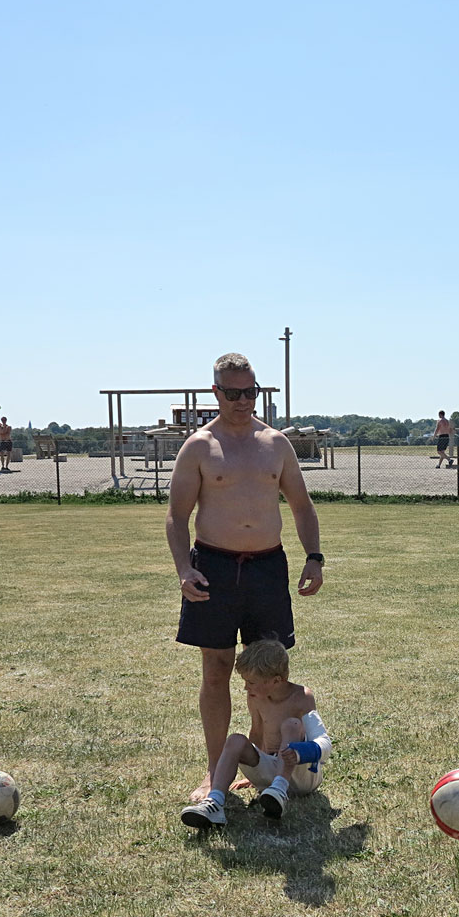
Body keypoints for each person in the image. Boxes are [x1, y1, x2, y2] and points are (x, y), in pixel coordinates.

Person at [166, 352, 325, 802]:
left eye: (250, 391)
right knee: (216, 670)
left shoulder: (276, 443)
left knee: (269, 672)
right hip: (214, 568)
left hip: (267, 569)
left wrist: (314, 556)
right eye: (233, 392)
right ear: (215, 392)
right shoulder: (199, 446)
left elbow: (301, 506)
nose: (242, 400)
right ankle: (215, 769)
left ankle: (266, 763)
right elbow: (177, 517)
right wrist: (185, 569)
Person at [181, 640, 331, 827]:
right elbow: (258, 732)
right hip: (271, 772)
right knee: (235, 740)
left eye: (251, 682)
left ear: (277, 680)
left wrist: (301, 752)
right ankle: (214, 803)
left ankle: (279, 789)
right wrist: (255, 769)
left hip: (301, 775)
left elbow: (323, 741)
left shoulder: (302, 697)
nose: (246, 688)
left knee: (291, 725)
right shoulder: (257, 697)